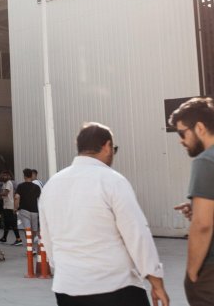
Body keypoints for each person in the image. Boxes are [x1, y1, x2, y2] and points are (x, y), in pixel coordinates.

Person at [39, 122, 169, 306]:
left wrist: (64, 271)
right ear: (107, 145)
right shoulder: (112, 180)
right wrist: (155, 280)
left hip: (67, 288)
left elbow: (47, 238)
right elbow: (137, 234)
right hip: (115, 286)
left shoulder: (52, 185)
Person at [168, 97, 214, 304]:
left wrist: (192, 273)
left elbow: (203, 225)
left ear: (200, 128)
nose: (180, 140)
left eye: (182, 132)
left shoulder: (205, 161)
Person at [15, 168, 41, 253]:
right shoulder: (37, 187)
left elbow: (17, 197)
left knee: (27, 229)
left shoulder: (20, 186)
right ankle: (32, 246)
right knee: (34, 230)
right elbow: (40, 199)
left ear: (25, 176)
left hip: (24, 210)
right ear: (32, 175)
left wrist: (15, 208)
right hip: (35, 211)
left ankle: (30, 248)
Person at [0, 170, 21, 245]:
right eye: (3, 175)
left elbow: (5, 193)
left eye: (5, 175)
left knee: (12, 223)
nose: (4, 176)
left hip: (10, 206)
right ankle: (4, 238)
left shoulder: (8, 183)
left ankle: (18, 239)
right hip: (6, 206)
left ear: (8, 176)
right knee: (7, 223)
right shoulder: (4, 183)